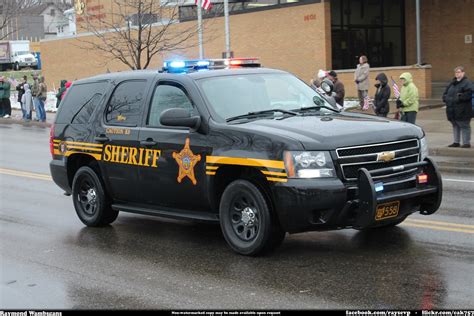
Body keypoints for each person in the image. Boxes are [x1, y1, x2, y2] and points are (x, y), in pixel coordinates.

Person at [442, 66, 472, 148]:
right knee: (455, 125)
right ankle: (456, 142)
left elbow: (468, 94)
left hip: (463, 110)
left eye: (459, 72)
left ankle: (466, 143)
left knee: (464, 126)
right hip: (452, 109)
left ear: (463, 73)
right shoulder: (452, 83)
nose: (457, 74)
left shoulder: (467, 83)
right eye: (456, 72)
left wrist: (459, 97)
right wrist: (446, 99)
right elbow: (445, 94)